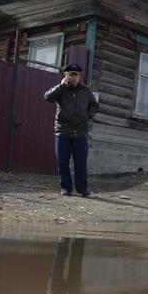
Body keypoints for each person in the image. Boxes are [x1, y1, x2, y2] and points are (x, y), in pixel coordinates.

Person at [43, 63, 99, 197]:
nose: (74, 77)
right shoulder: (61, 89)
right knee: (62, 162)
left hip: (80, 132)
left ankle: (82, 189)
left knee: (80, 162)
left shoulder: (86, 90)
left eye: (76, 75)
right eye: (71, 74)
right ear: (65, 75)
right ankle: (66, 188)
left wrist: (88, 116)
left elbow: (94, 105)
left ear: (79, 76)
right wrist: (62, 85)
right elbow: (47, 97)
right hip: (62, 132)